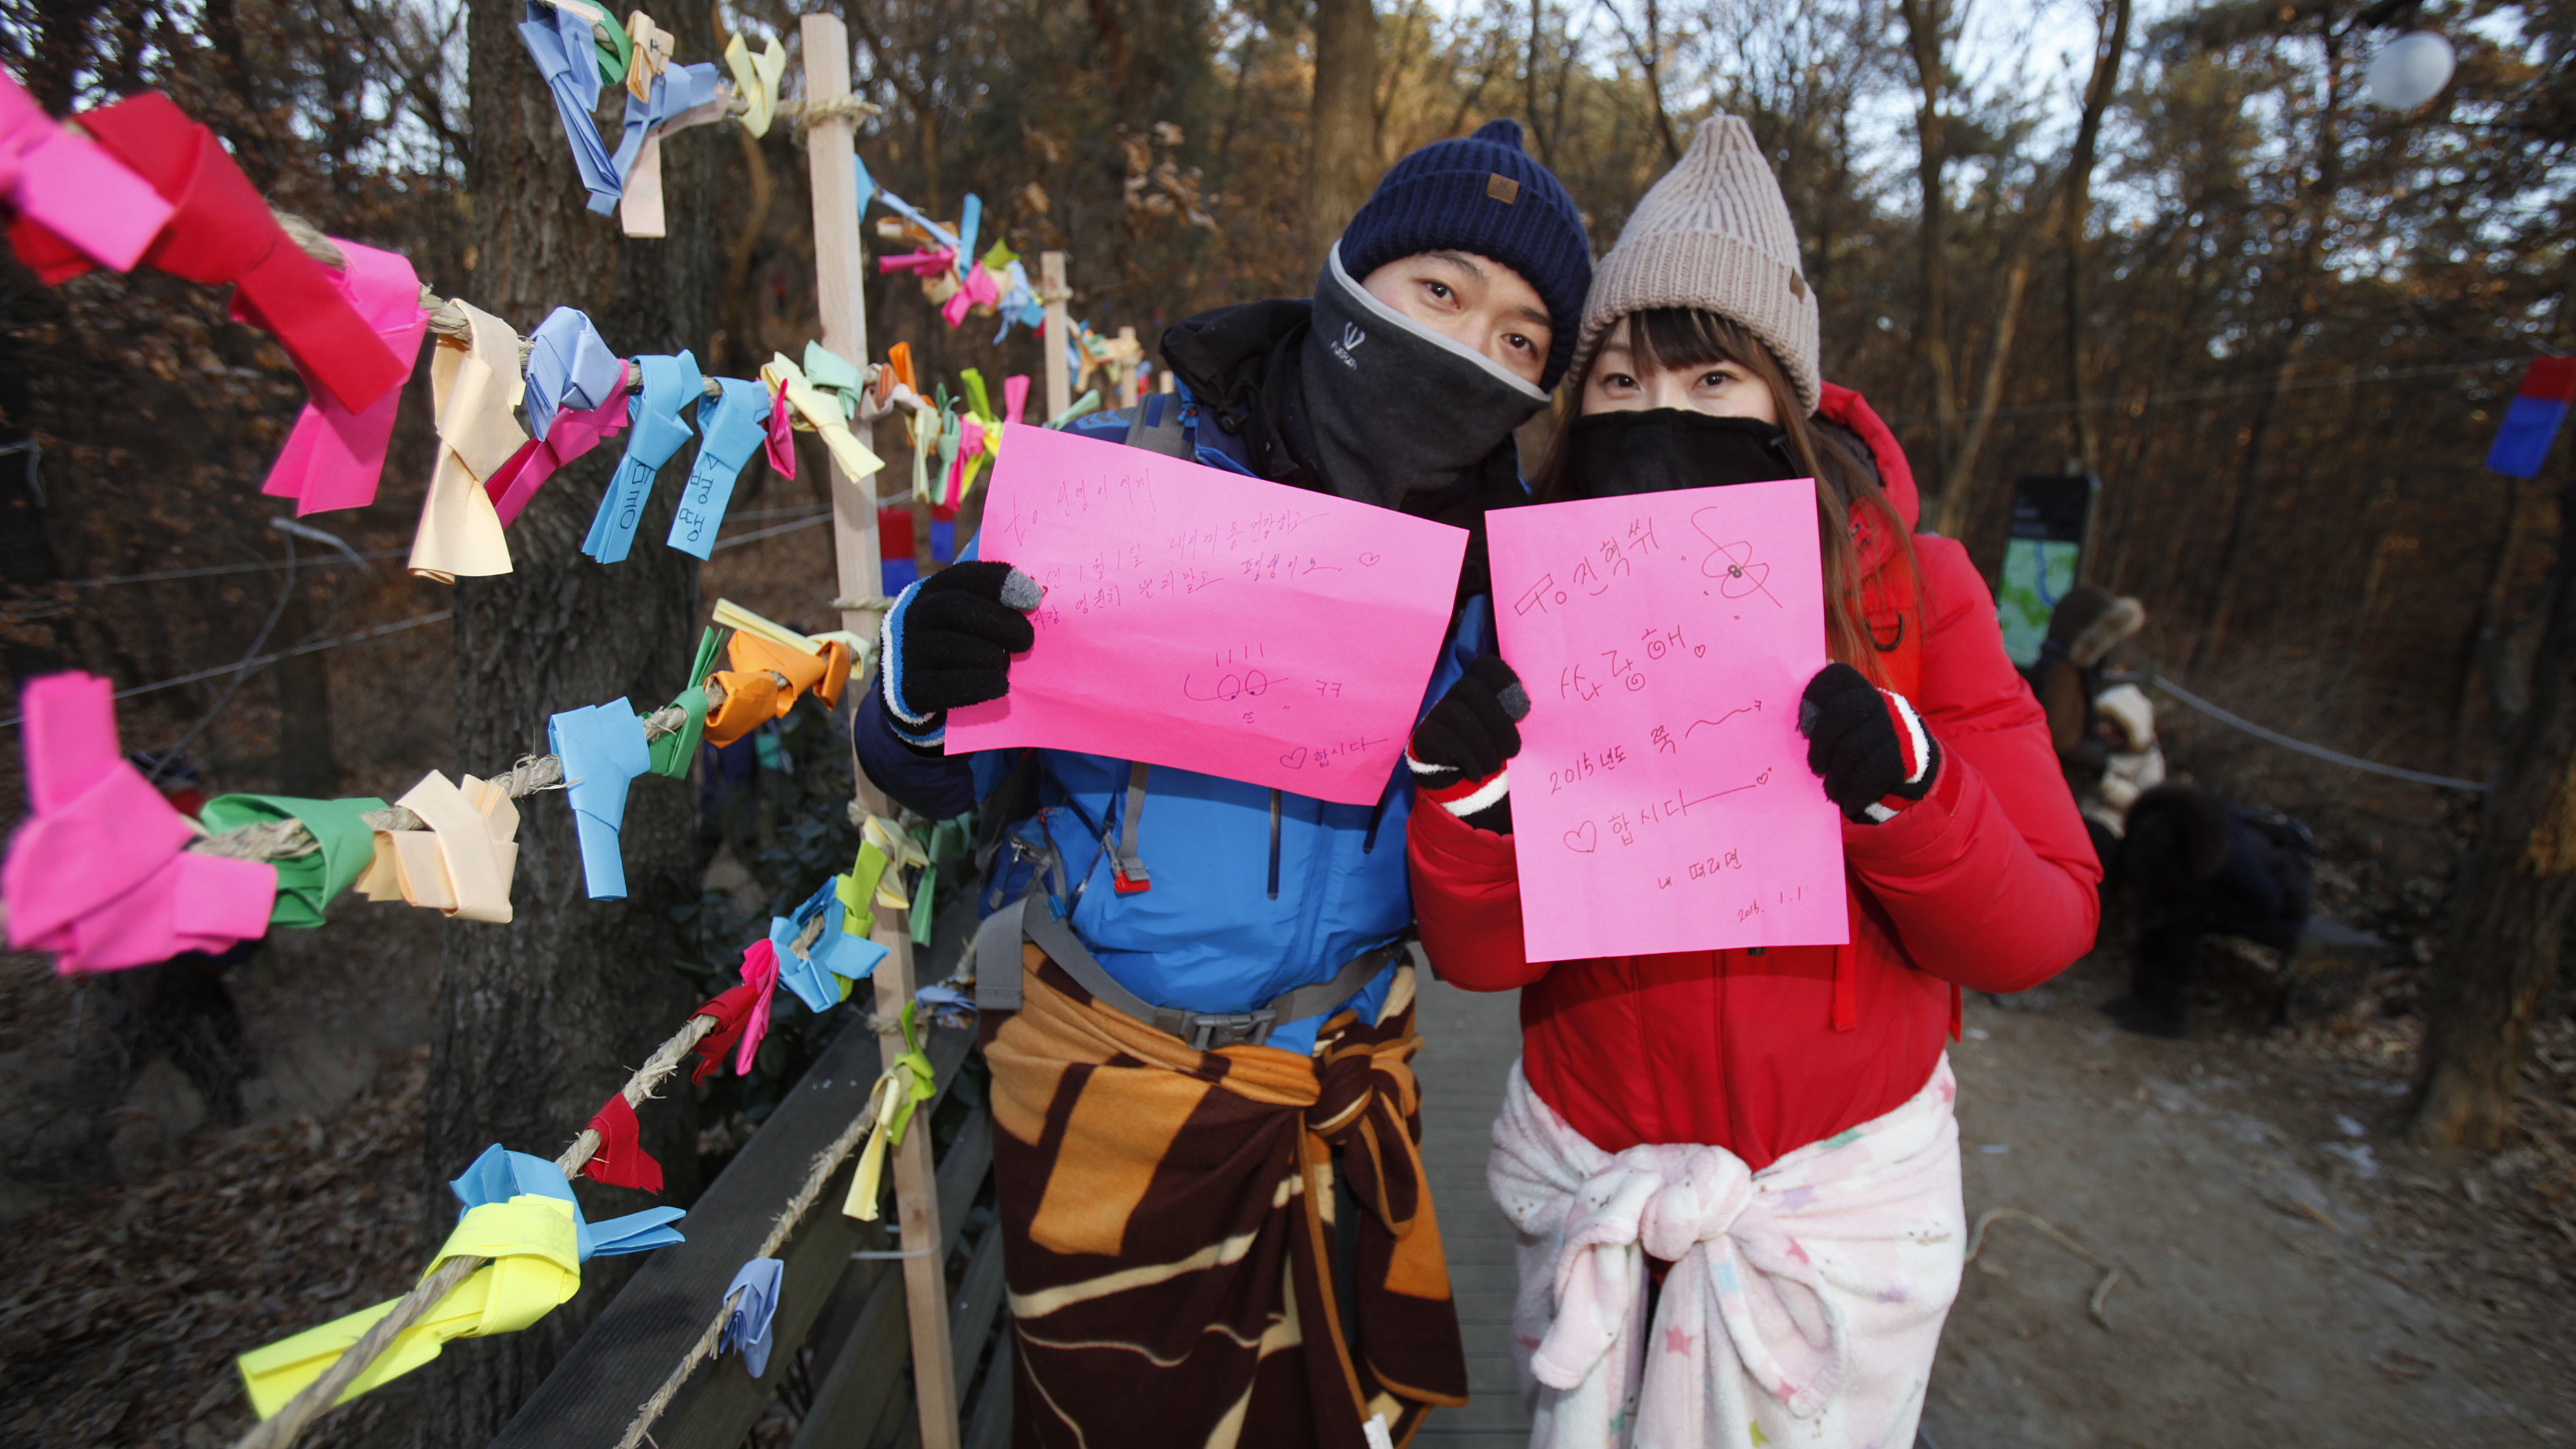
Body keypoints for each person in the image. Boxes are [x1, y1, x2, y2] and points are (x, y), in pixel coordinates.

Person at [856, 120, 1594, 1449]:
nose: (1475, 348)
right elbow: (927, 766)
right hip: (1105, 1088)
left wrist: (1483, 798)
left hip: (1338, 1090)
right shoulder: (1117, 473)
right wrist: (920, 671)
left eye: (1522, 339)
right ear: (1353, 286)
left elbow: (1508, 901)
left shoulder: (1510, 592)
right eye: (1442, 291)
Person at [1401, 118, 2099, 1449]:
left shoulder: (1917, 592)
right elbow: (1481, 963)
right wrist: (1467, 807)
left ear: (1789, 400)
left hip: (1831, 1206)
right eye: (1617, 382)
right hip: (1594, 1172)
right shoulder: (1536, 599)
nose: (1662, 413)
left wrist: (1910, 793)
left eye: (1713, 378)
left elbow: (2042, 928)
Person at [2108, 782, 2313, 1039]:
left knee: (2182, 924)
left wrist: (2211, 911)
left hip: (2275, 912)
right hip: (2219, 892)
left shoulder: (2230, 854)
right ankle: (2141, 999)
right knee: (2159, 915)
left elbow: (2267, 903)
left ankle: (2170, 1018)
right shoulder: (2167, 830)